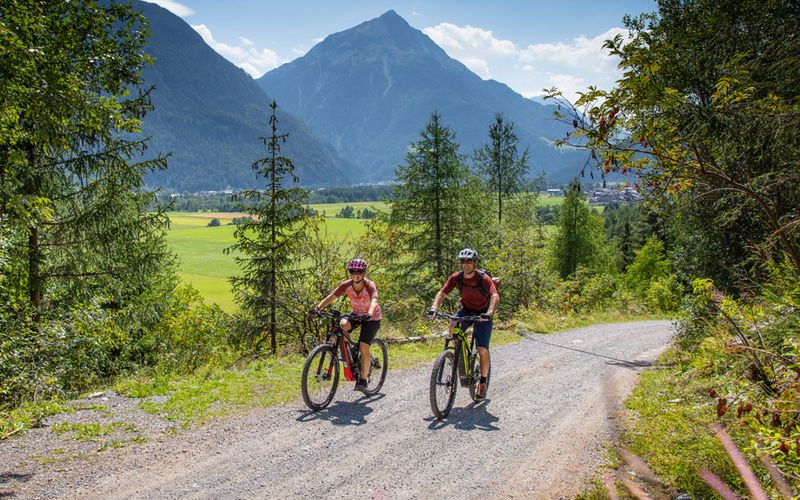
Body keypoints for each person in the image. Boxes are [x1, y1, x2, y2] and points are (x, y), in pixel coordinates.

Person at [428, 248, 499, 400]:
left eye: (469, 261)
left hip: (483, 314)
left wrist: (490, 312)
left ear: (475, 262)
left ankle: (483, 382)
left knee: (482, 348)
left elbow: (494, 295)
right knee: (453, 325)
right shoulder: (457, 277)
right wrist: (434, 307)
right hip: (466, 310)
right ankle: (458, 354)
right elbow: (442, 293)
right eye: (463, 261)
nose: (465, 264)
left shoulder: (483, 278)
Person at [314, 258, 382, 393]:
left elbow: (374, 300)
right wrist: (318, 307)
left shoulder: (369, 285)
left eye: (359, 272)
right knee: (342, 324)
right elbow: (332, 296)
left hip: (372, 317)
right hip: (356, 314)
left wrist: (369, 312)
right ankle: (350, 353)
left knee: (364, 345)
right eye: (352, 271)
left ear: (364, 273)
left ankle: (363, 380)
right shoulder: (346, 285)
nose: (355, 275)